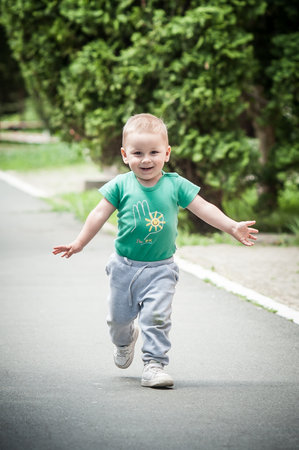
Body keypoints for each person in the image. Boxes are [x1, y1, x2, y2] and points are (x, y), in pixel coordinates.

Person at [53, 113, 258, 388]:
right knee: (118, 321)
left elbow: (204, 208)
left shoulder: (175, 185)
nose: (146, 159)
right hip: (123, 268)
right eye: (138, 153)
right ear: (125, 155)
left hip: (161, 269)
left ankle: (154, 365)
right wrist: (79, 243)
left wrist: (232, 226)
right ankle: (124, 342)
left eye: (154, 152)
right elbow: (98, 214)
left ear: (167, 153)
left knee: (157, 319)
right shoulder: (120, 185)